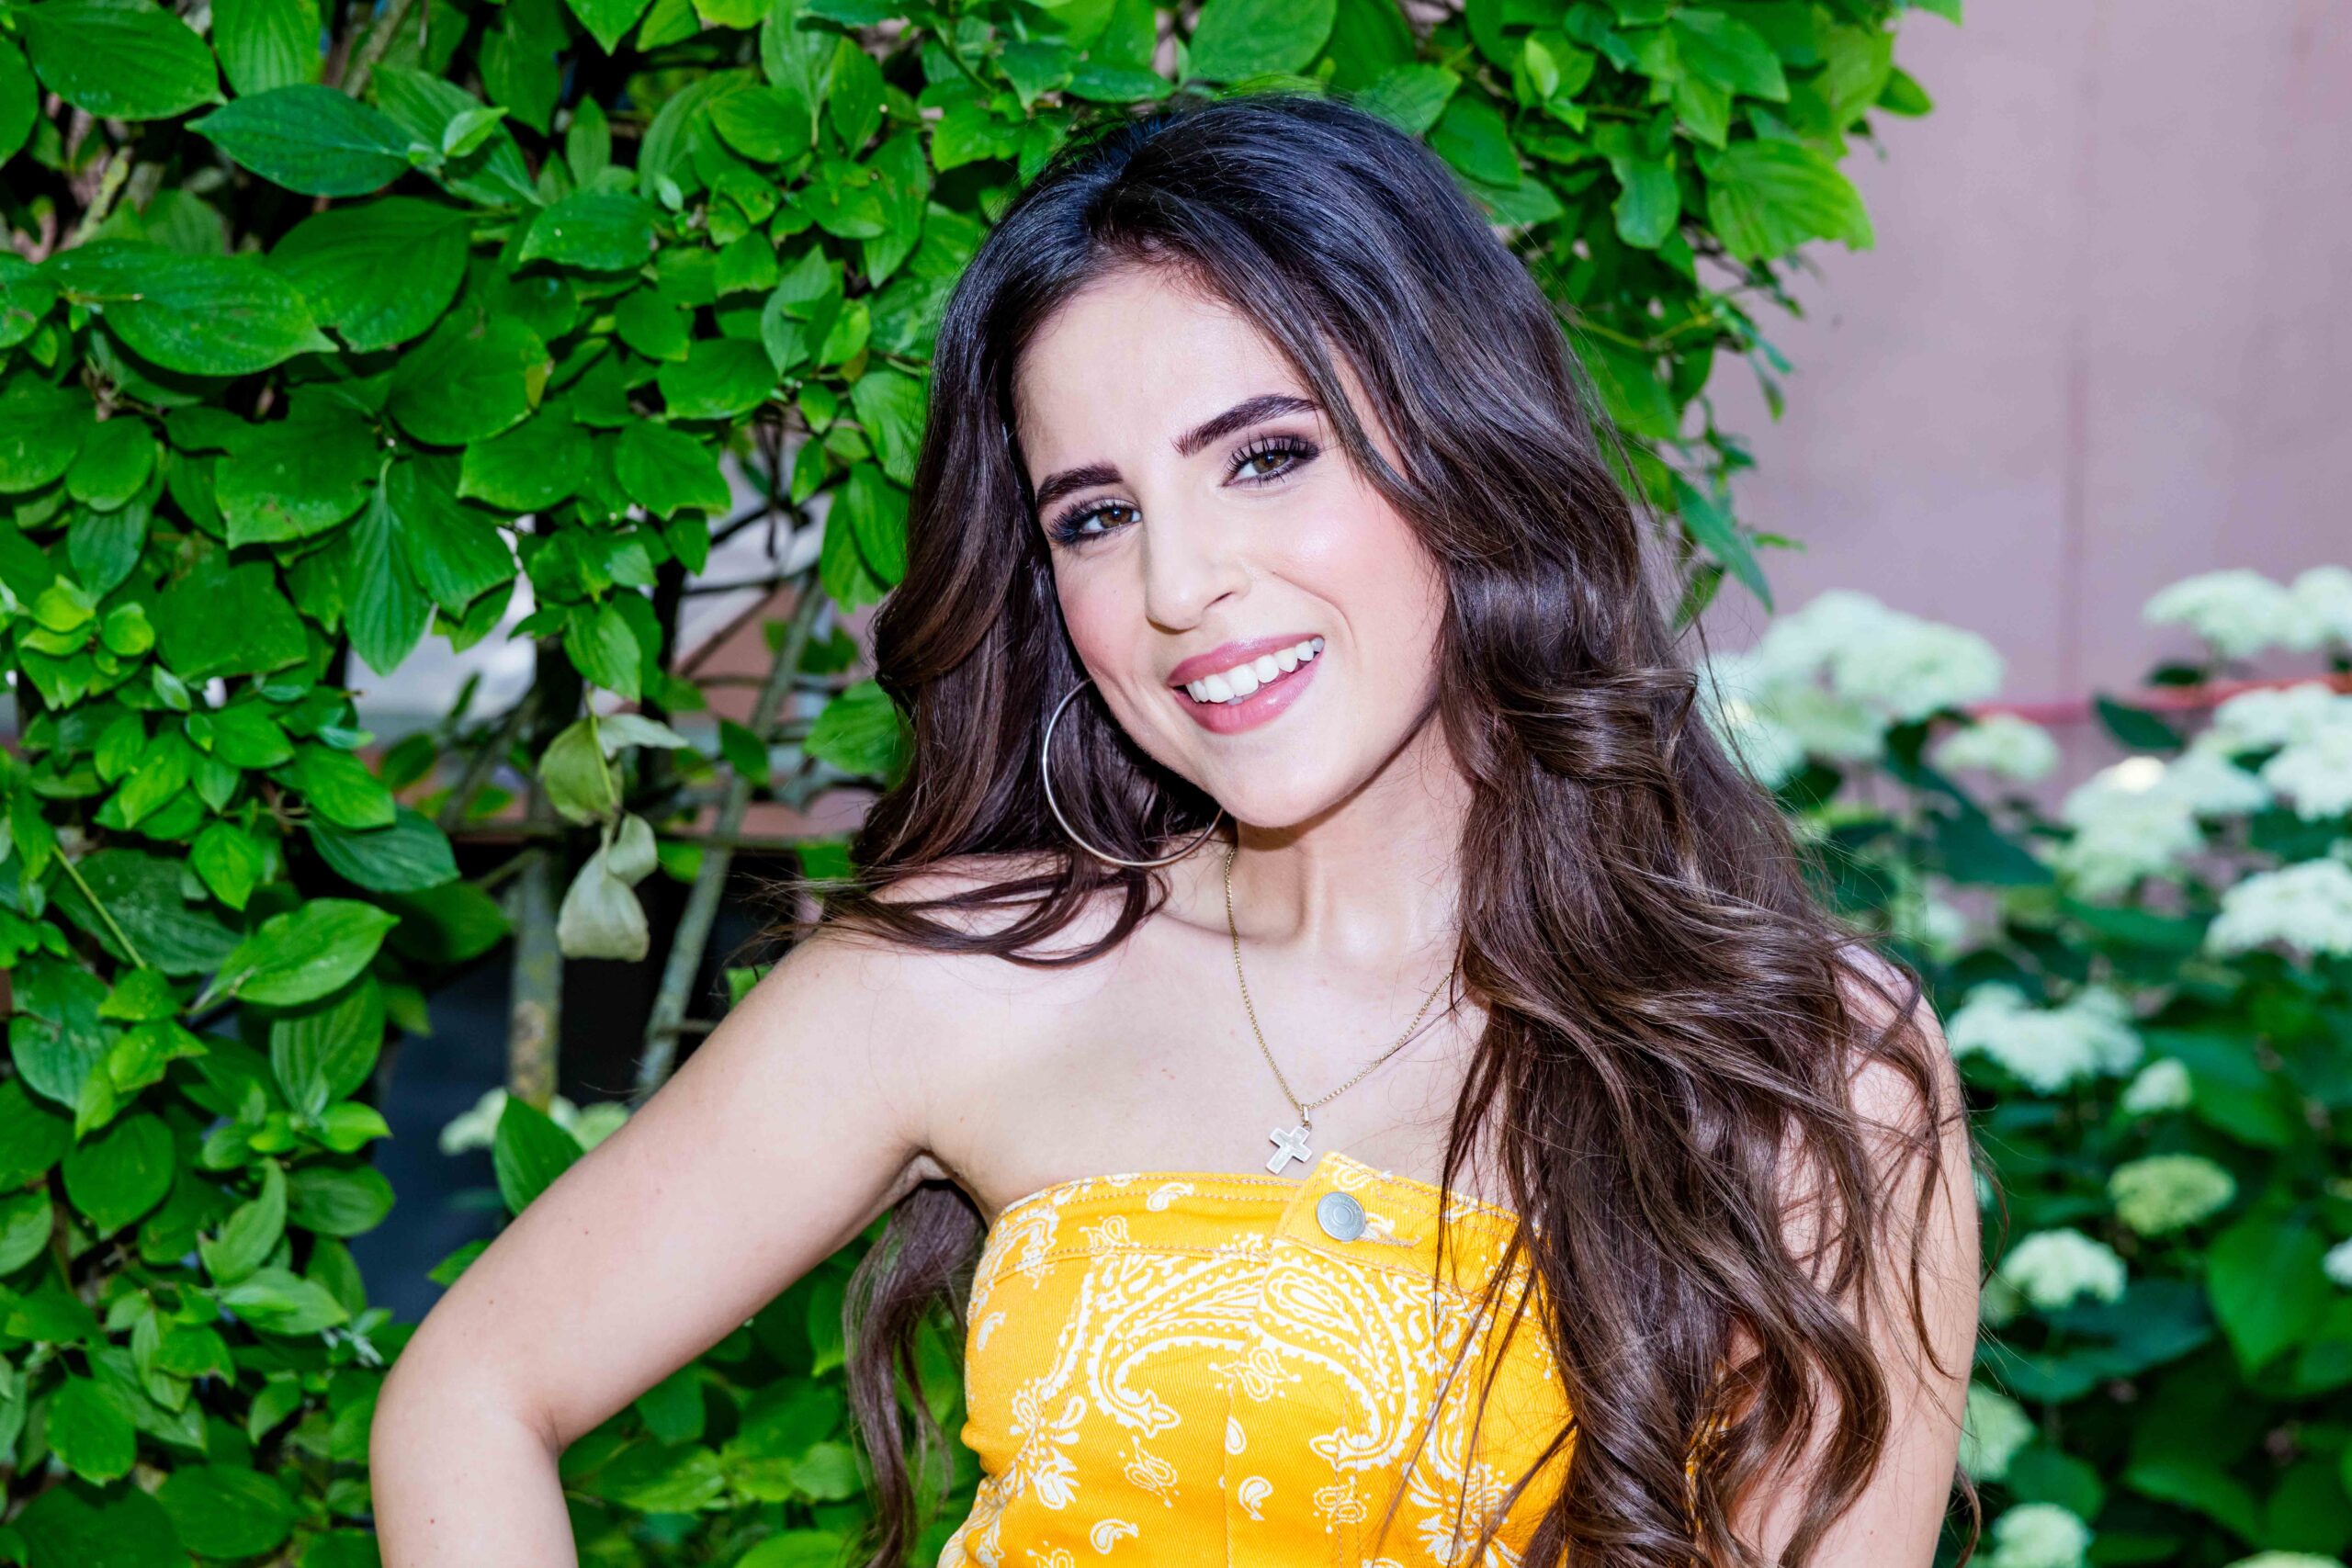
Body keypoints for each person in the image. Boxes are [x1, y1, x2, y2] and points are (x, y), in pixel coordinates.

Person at [371, 91, 1984, 1567]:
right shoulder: (970, 980)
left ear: (1464, 449)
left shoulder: (1805, 1066)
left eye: (1267, 457)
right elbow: (473, 1391)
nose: (1177, 584)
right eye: (1097, 516)